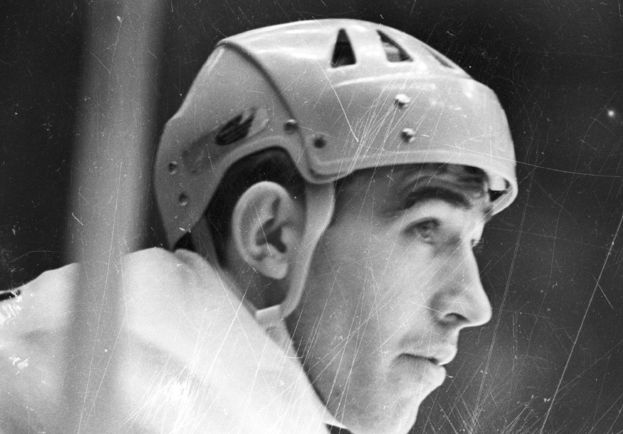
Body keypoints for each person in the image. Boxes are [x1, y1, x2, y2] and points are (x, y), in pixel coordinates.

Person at [0, 19, 517, 433]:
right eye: (427, 230)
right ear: (271, 233)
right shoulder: (134, 393)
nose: (473, 305)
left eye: (472, 242)